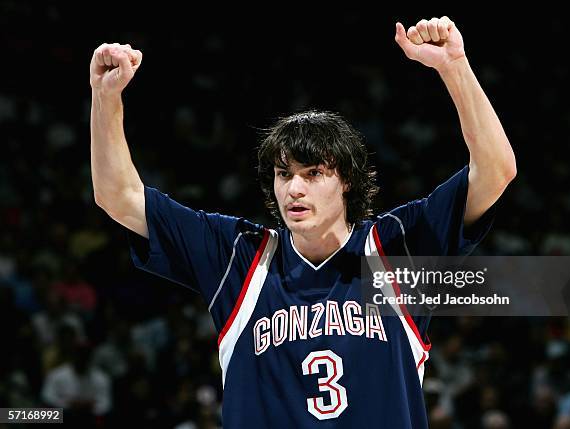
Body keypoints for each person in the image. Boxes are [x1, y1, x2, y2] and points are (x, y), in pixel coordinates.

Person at [90, 15, 516, 429]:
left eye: (313, 174)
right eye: (284, 174)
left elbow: (497, 170)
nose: (294, 188)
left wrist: (455, 67)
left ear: (346, 182)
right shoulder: (237, 256)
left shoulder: (397, 249)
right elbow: (119, 197)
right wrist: (105, 98)